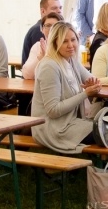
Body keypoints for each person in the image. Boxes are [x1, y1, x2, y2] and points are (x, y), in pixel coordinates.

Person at [31, 22, 101, 153]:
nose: (70, 45)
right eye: (64, 41)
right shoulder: (49, 66)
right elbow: (53, 110)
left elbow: (93, 80)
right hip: (53, 129)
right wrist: (85, 93)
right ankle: (107, 164)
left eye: (73, 40)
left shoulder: (71, 60)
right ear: (54, 43)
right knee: (107, 131)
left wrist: (93, 83)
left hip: (70, 123)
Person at [21, 13, 63, 80]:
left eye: (55, 26)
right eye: (48, 25)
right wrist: (40, 58)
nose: (51, 28)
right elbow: (26, 75)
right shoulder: (38, 46)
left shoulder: (66, 47)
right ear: (42, 29)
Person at [21, 0, 63, 64]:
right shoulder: (39, 30)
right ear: (43, 11)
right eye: (54, 8)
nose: (59, 11)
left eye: (60, 8)